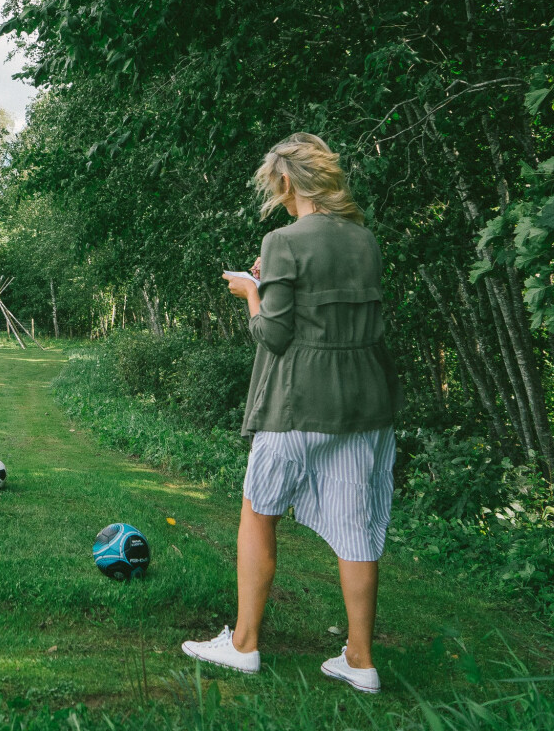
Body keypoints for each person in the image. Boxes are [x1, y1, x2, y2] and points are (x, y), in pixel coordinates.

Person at [182, 133, 401, 694]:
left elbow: (274, 335)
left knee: (258, 514)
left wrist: (251, 292)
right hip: (366, 402)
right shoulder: (364, 240)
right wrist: (272, 279)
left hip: (298, 400)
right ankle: (360, 658)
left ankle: (244, 646)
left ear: (285, 182)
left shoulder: (282, 239)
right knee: (358, 530)